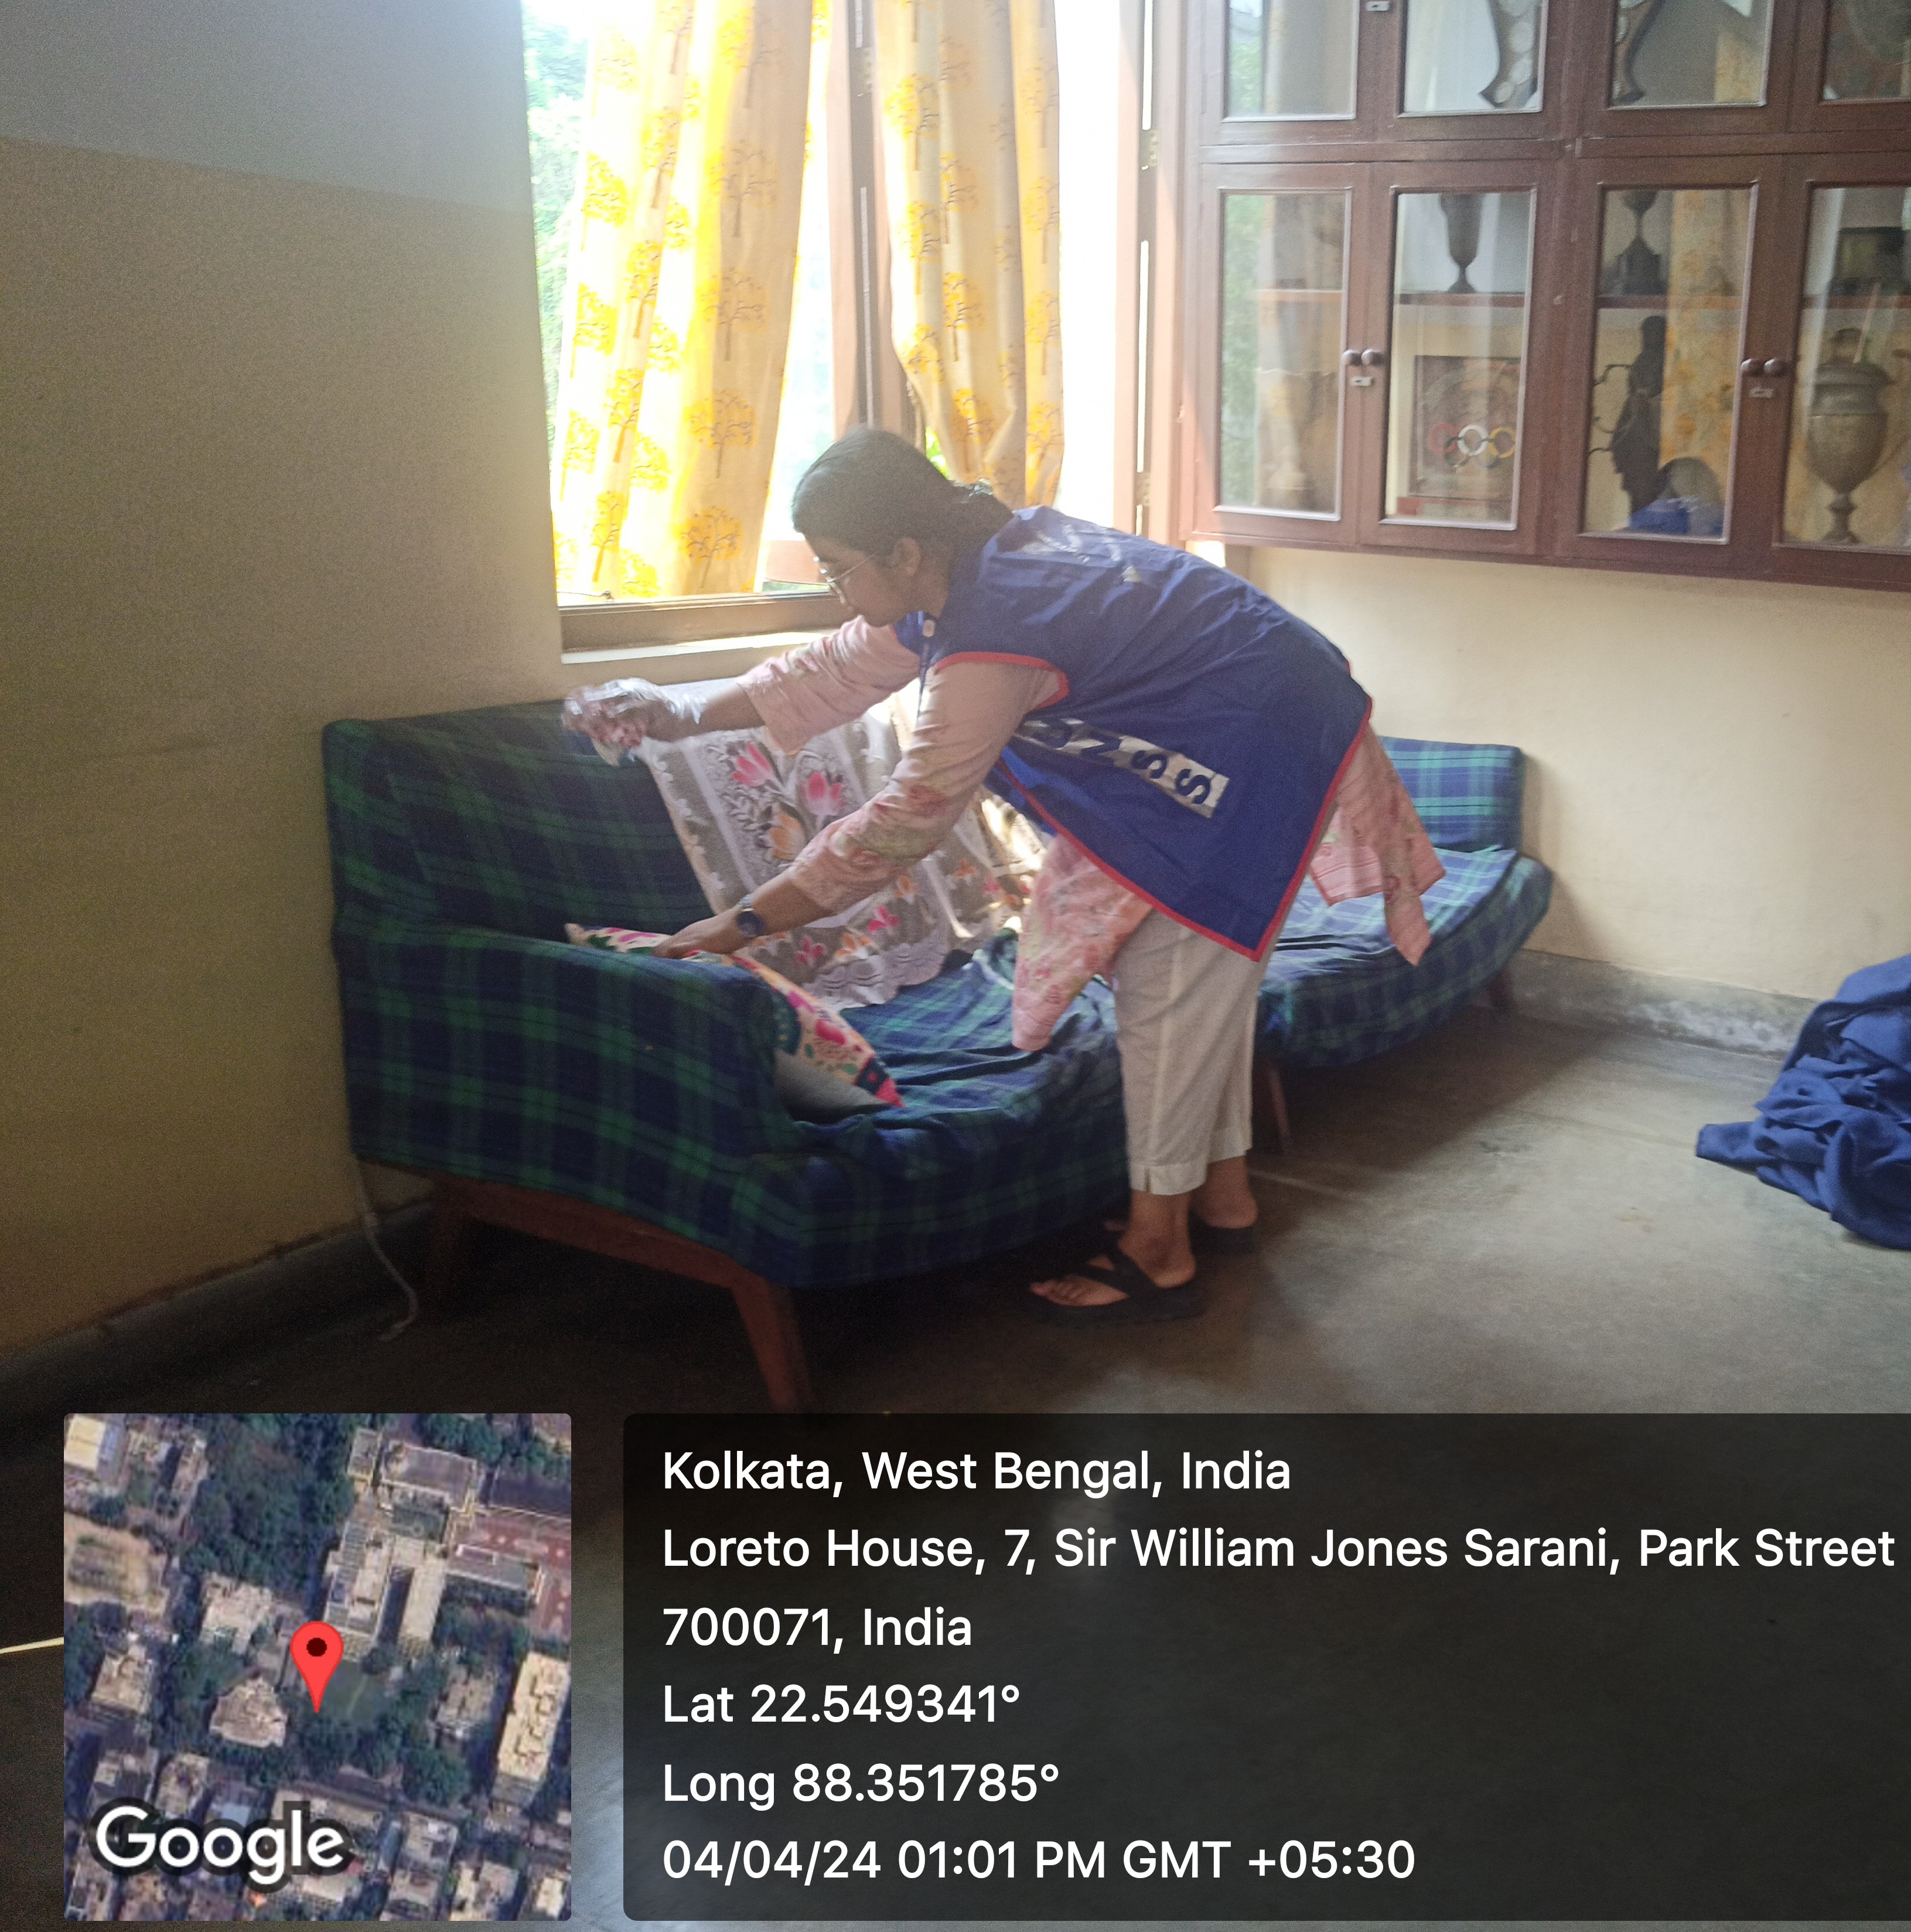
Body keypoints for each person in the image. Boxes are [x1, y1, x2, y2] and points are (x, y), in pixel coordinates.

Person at [562, 428, 1443, 1323]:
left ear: (906, 552)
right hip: (1259, 716)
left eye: (838, 568)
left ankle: (1159, 1251)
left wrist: (744, 922)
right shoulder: (974, 563)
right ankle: (1222, 1202)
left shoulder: (991, 632)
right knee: (1198, 993)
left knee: (1171, 988)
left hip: (1249, 748)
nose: (835, 590)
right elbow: (829, 670)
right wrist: (675, 712)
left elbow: (906, 819)